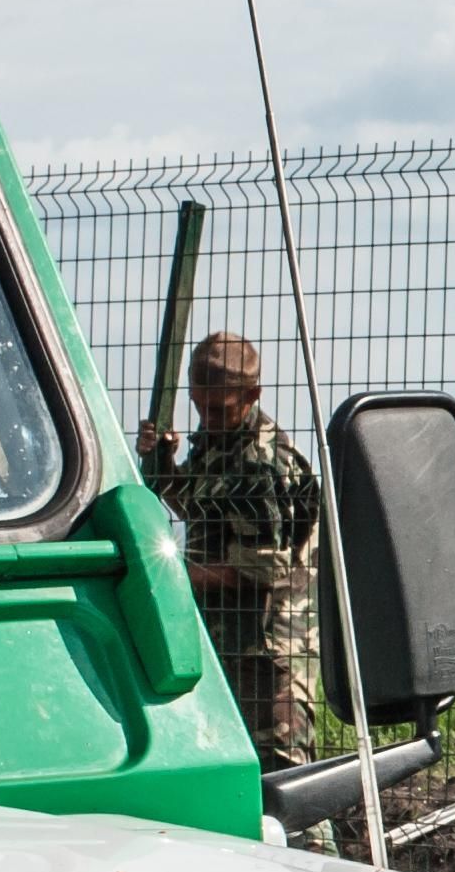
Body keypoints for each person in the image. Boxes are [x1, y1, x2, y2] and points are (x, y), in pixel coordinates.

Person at [137, 329, 324, 774]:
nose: (208, 416)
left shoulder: (261, 461)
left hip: (270, 648)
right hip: (230, 639)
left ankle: (307, 850)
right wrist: (164, 465)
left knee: (282, 775)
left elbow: (264, 569)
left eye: (218, 408)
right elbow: (202, 511)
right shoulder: (218, 441)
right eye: (199, 404)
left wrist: (172, 576)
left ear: (252, 394)